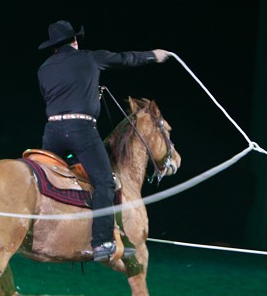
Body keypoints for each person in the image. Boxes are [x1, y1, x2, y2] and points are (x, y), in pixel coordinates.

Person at [37, 20, 172, 262]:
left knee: (50, 180)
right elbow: (125, 58)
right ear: (75, 41)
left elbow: (55, 97)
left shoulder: (44, 68)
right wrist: (154, 55)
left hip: (53, 133)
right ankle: (102, 242)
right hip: (81, 132)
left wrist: (88, 94)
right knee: (104, 182)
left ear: (54, 47)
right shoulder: (89, 58)